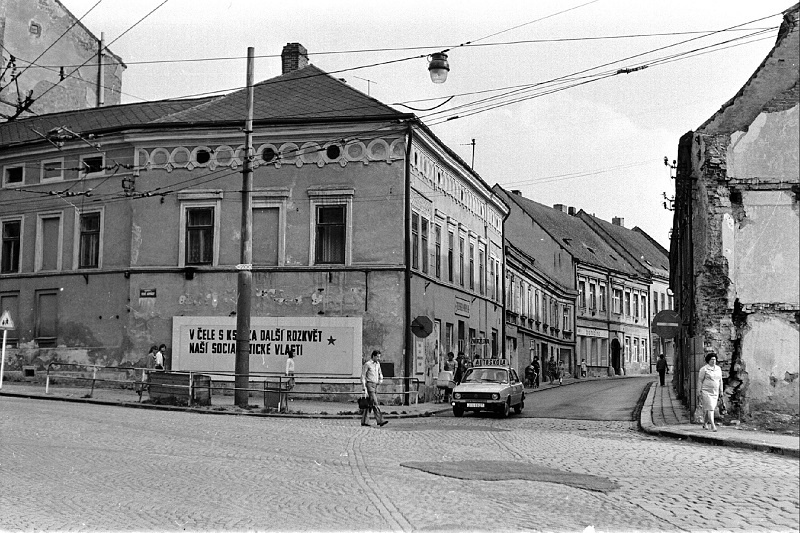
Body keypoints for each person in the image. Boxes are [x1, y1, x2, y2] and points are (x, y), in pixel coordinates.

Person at [360, 350, 388, 427]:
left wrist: (381, 379)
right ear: (373, 356)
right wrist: (364, 387)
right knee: (375, 402)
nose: (379, 358)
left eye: (379, 356)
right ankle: (380, 420)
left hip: (375, 385)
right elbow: (363, 376)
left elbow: (380, 372)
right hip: (369, 384)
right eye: (377, 356)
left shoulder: (378, 364)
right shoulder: (367, 364)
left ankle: (364, 421)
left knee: (370, 403)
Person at [698, 353, 723, 431]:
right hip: (706, 391)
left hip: (715, 391)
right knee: (711, 408)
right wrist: (699, 390)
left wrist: (721, 390)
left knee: (709, 408)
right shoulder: (704, 369)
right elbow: (700, 380)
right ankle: (713, 425)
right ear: (708, 360)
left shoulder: (718, 369)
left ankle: (705, 423)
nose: (713, 361)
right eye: (712, 359)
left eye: (714, 359)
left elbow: (720, 380)